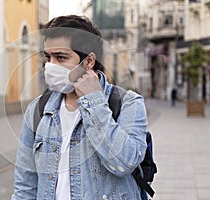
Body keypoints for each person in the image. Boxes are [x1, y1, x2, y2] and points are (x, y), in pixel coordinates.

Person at [12, 15, 148, 200]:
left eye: (61, 57)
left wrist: (94, 101)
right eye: (48, 57)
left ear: (89, 61)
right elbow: (25, 186)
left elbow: (124, 162)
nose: (50, 65)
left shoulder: (128, 104)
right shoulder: (38, 109)